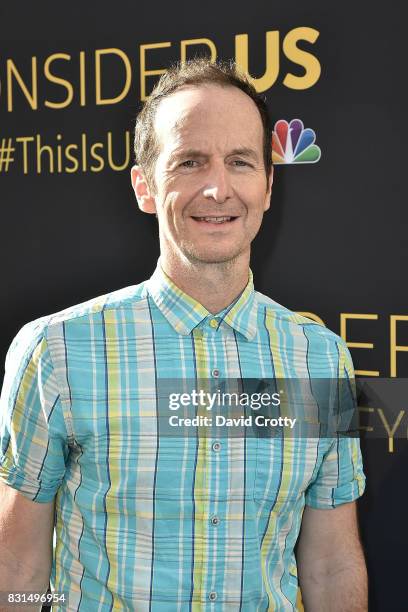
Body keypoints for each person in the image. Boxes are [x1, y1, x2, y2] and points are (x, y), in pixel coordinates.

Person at [0, 59, 367, 611]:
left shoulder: (318, 358)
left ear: (268, 186)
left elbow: (331, 562)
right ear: (145, 187)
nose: (218, 188)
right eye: (190, 162)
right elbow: (19, 565)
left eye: (241, 162)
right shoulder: (58, 351)